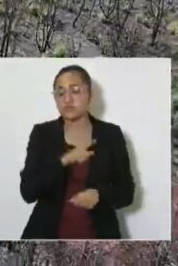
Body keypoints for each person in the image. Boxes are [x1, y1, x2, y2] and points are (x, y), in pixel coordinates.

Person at [20, 64, 134, 240]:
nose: (67, 99)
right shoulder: (42, 134)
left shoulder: (110, 134)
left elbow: (126, 192)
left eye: (75, 90)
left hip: (99, 239)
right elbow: (28, 192)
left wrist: (99, 195)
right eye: (60, 92)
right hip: (46, 236)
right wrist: (65, 160)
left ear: (89, 95)